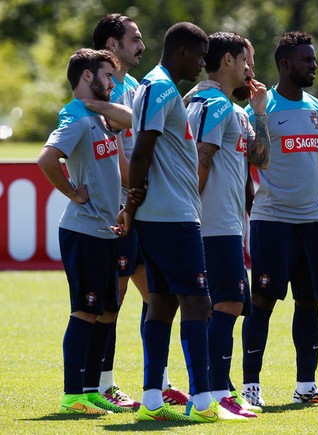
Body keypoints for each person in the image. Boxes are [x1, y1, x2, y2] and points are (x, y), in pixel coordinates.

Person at [118, 22, 238, 423]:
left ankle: (152, 399)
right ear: (183, 52)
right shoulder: (162, 88)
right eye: (201, 56)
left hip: (167, 213)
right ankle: (203, 401)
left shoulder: (156, 86)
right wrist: (131, 202)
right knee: (199, 302)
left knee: (163, 302)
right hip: (172, 215)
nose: (203, 64)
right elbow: (142, 150)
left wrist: (135, 205)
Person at [91, 13, 190, 408]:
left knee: (159, 297)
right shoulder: (100, 85)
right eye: (133, 38)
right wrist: (130, 193)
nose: (142, 44)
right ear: (111, 45)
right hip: (119, 206)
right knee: (111, 301)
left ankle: (159, 382)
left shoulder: (137, 85)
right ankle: (102, 384)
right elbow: (111, 147)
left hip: (144, 205)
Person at [240, 31, 318, 406]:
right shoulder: (260, 109)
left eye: (313, 59)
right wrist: (263, 114)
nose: (314, 65)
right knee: (263, 301)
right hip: (273, 221)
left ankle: (306, 386)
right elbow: (259, 160)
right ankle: (251, 387)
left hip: (313, 221)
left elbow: (312, 158)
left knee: (310, 301)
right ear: (285, 64)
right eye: (307, 60)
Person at [37, 48, 130, 415]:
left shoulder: (101, 117)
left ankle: (92, 390)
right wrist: (74, 192)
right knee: (85, 312)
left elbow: (129, 119)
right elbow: (46, 158)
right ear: (88, 77)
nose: (112, 83)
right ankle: (72, 395)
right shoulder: (75, 118)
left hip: (107, 230)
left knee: (107, 310)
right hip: (84, 232)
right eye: (107, 76)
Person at [186, 31, 270, 418]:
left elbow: (261, 158)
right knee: (229, 303)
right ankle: (219, 392)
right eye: (246, 60)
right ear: (228, 61)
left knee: (210, 307)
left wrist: (260, 111)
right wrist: (193, 212)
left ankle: (210, 389)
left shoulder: (222, 107)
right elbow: (201, 160)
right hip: (213, 224)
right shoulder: (214, 106)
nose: (250, 68)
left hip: (222, 224)